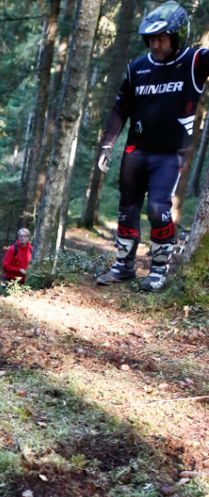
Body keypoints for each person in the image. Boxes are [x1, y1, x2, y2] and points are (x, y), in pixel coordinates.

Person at [96, 1, 209, 292]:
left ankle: (159, 269)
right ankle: (123, 266)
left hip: (170, 155)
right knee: (127, 208)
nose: (155, 44)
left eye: (161, 38)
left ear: (177, 36)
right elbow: (120, 108)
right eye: (151, 39)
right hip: (136, 151)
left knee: (159, 209)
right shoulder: (137, 67)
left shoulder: (194, 61)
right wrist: (107, 145)